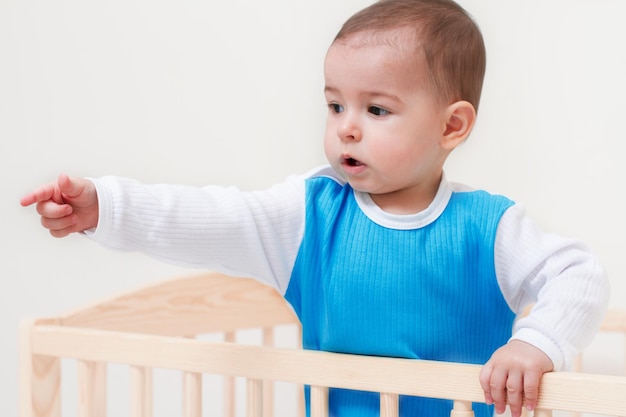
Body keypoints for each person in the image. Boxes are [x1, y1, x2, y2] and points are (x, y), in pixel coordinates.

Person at [20, 1, 609, 416]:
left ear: (451, 125)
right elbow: (211, 216)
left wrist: (535, 343)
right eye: (334, 106)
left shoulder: (489, 227)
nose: (346, 129)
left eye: (376, 110)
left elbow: (580, 275)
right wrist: (106, 205)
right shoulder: (310, 215)